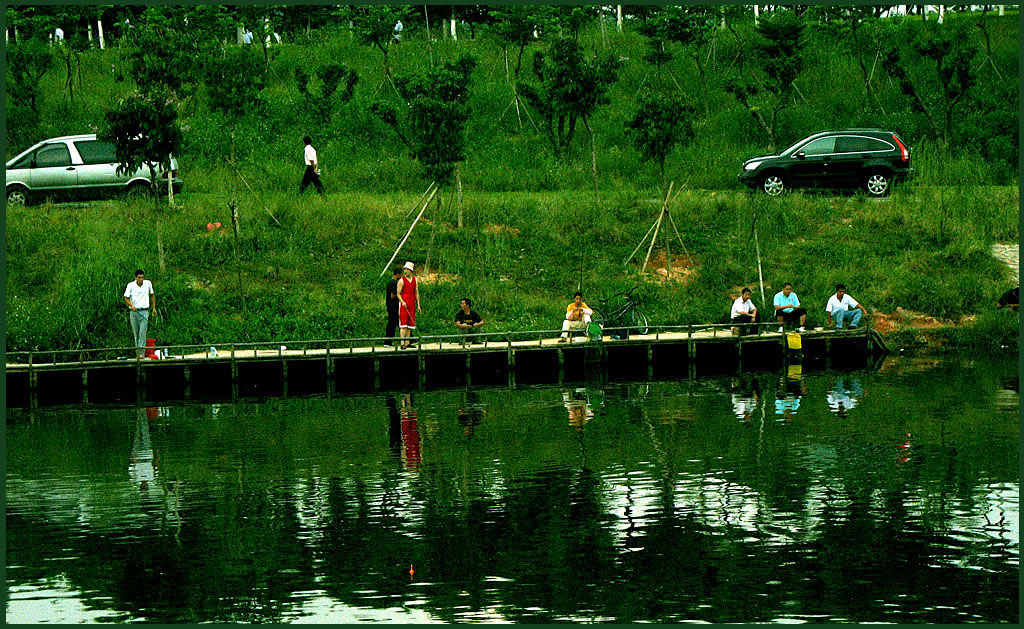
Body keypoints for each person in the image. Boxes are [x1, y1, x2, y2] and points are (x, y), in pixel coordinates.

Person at [123, 269, 156, 358]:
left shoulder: (148, 283)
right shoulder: (130, 285)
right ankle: (138, 353)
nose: (141, 279)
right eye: (139, 277)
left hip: (144, 311)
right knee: (136, 333)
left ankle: (141, 353)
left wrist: (154, 308)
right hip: (134, 312)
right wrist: (131, 305)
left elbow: (152, 295)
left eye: (142, 277)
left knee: (142, 332)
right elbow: (126, 298)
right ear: (136, 277)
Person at [397, 261, 421, 349]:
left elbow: (416, 293)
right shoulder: (401, 280)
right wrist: (402, 302)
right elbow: (398, 293)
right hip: (404, 304)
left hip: (412, 304)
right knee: (403, 324)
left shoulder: (415, 280)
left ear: (411, 271)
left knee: (410, 324)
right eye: (405, 269)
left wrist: (418, 304)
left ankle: (407, 342)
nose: (406, 271)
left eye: (407, 270)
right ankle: (402, 342)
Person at [384, 267, 401, 346]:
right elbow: (392, 295)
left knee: (393, 323)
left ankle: (389, 341)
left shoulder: (389, 282)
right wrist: (399, 295)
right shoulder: (394, 283)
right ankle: (388, 341)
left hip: (390, 305)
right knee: (393, 323)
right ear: (398, 274)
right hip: (393, 306)